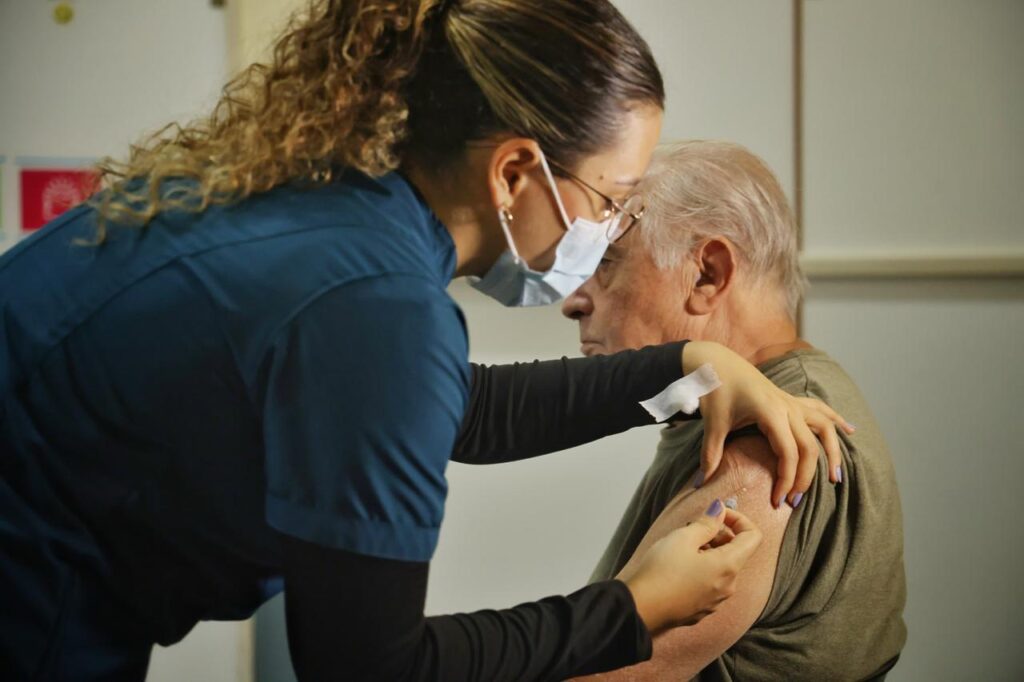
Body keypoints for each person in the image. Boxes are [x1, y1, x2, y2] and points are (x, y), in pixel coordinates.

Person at [0, 3, 850, 680]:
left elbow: (445, 406)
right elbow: (365, 663)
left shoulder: (340, 213)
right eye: (610, 199)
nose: (608, 227)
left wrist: (688, 369)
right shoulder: (373, 302)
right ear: (515, 174)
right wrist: (629, 611)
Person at [562, 141, 907, 681]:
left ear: (708, 274)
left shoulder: (766, 454)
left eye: (606, 262)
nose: (573, 300)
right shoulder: (742, 410)